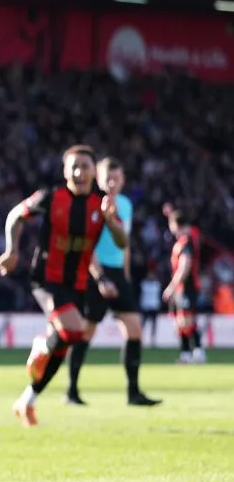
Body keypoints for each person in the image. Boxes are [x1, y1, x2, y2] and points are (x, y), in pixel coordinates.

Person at [0, 145, 128, 427]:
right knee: (73, 330)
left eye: (85, 166)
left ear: (94, 171)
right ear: (65, 171)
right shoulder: (51, 197)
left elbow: (122, 241)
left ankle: (27, 399)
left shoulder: (102, 203)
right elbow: (15, 215)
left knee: (63, 345)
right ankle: (42, 343)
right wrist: (12, 250)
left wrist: (110, 221)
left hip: (78, 283)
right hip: (47, 279)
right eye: (74, 166)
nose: (79, 172)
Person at [65, 157, 160, 406]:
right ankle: (72, 391)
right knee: (87, 330)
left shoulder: (126, 205)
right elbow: (87, 246)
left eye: (116, 178)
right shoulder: (91, 205)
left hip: (118, 272)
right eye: (107, 177)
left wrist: (125, 276)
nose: (112, 182)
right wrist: (100, 277)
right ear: (97, 177)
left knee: (134, 329)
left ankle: (133, 392)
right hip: (96, 271)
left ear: (123, 180)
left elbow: (124, 245)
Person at [162, 205, 208, 365]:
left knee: (187, 320)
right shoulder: (183, 241)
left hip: (187, 287)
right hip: (181, 288)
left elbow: (185, 267)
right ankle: (186, 354)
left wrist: (172, 287)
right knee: (180, 322)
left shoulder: (187, 242)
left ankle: (198, 351)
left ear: (175, 225)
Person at [140, 269, 163, 349]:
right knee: (142, 325)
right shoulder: (144, 284)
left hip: (154, 307)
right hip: (145, 307)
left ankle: (153, 341)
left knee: (154, 326)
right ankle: (139, 340)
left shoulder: (157, 284)